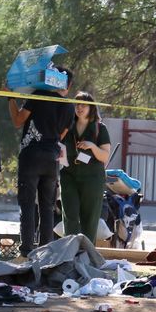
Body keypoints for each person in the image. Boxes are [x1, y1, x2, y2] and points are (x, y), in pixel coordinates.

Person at [7, 66, 74, 255]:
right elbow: (61, 135)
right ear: (67, 84)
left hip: (31, 156)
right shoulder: (69, 106)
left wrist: (10, 98)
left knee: (27, 205)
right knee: (47, 207)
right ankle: (46, 251)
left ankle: (27, 250)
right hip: (52, 159)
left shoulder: (39, 95)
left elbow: (18, 120)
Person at [60, 91, 112, 244]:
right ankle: (70, 253)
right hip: (69, 175)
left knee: (90, 218)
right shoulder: (67, 126)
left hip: (93, 178)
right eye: (77, 104)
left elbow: (104, 156)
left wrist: (92, 146)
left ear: (91, 108)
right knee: (70, 216)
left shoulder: (100, 129)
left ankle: (87, 256)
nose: (79, 108)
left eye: (83, 105)